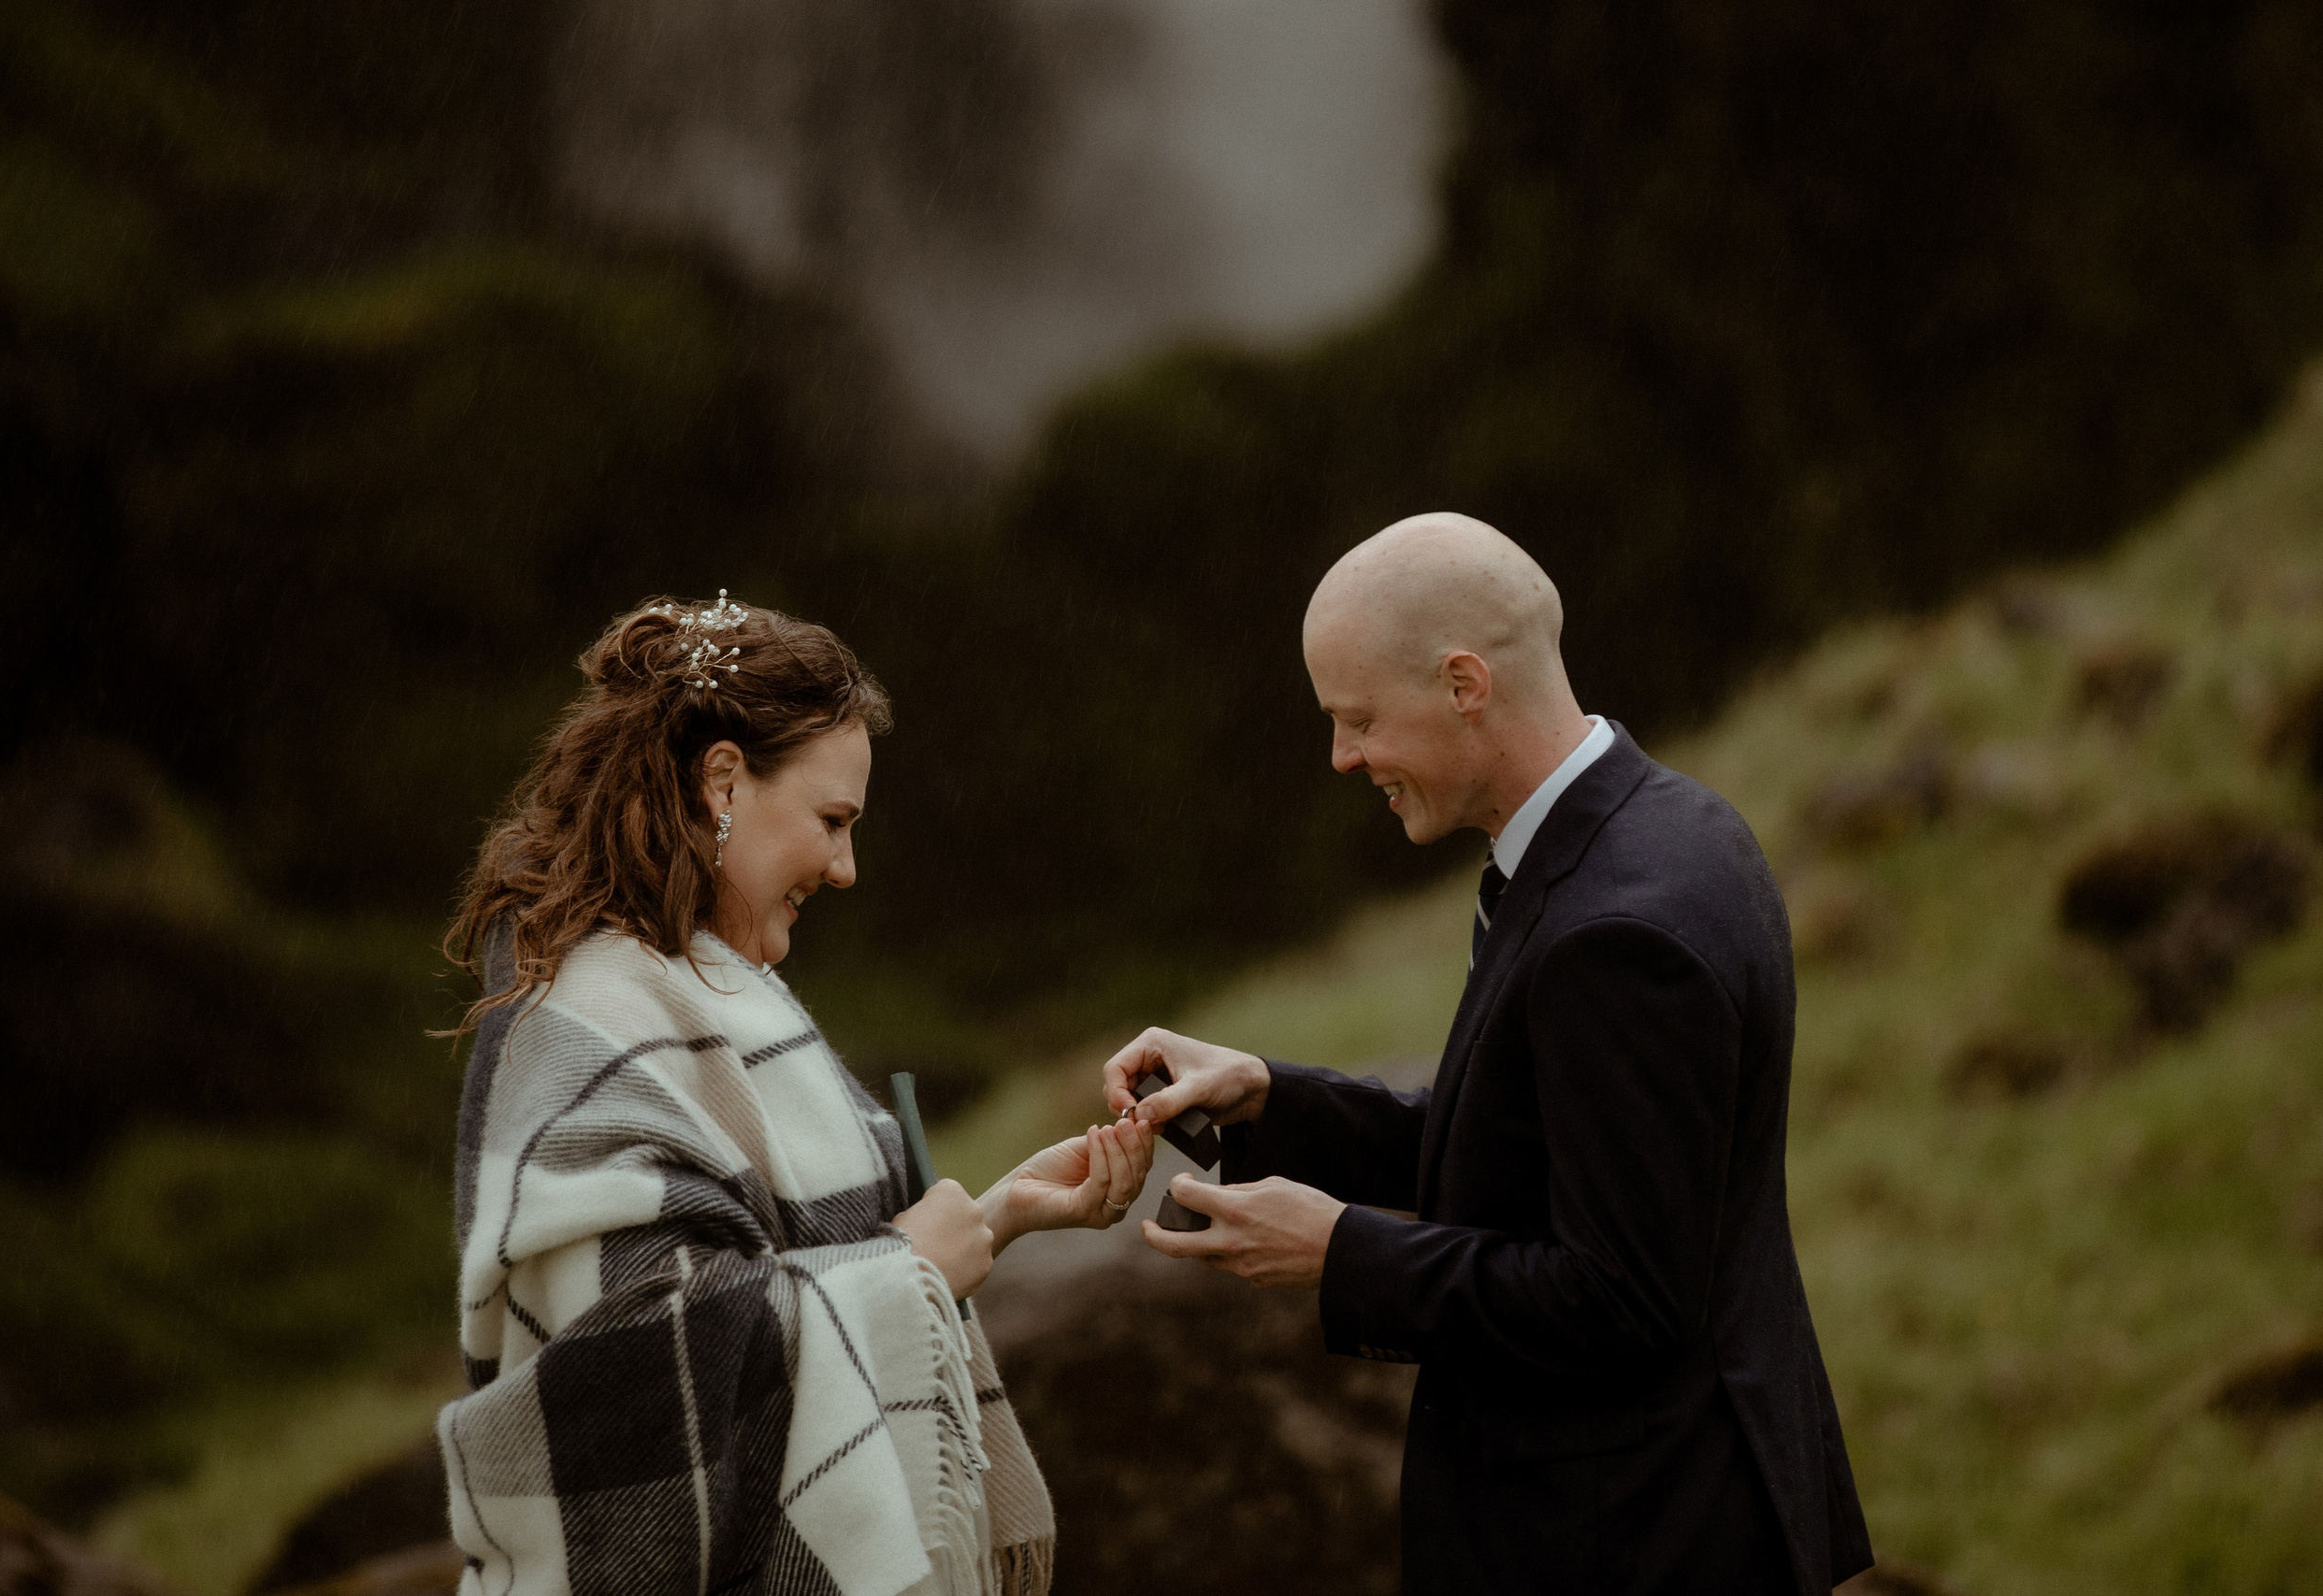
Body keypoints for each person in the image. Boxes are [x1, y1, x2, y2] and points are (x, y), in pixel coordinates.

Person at [1104, 514, 1873, 1594]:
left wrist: (1343, 1253)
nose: (1342, 757)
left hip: (1634, 1543)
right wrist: (1269, 1100)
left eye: (1357, 718)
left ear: (1465, 683)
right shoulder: (1658, 826)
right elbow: (1533, 1154)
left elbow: (1621, 1299)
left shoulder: (1620, 930)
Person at [438, 593, 1154, 1596]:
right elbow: (631, 1374)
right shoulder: (591, 1020)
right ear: (722, 781)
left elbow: (763, 1265)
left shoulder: (709, 991)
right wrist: (905, 1269)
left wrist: (1000, 1218)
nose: (846, 868)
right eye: (831, 821)